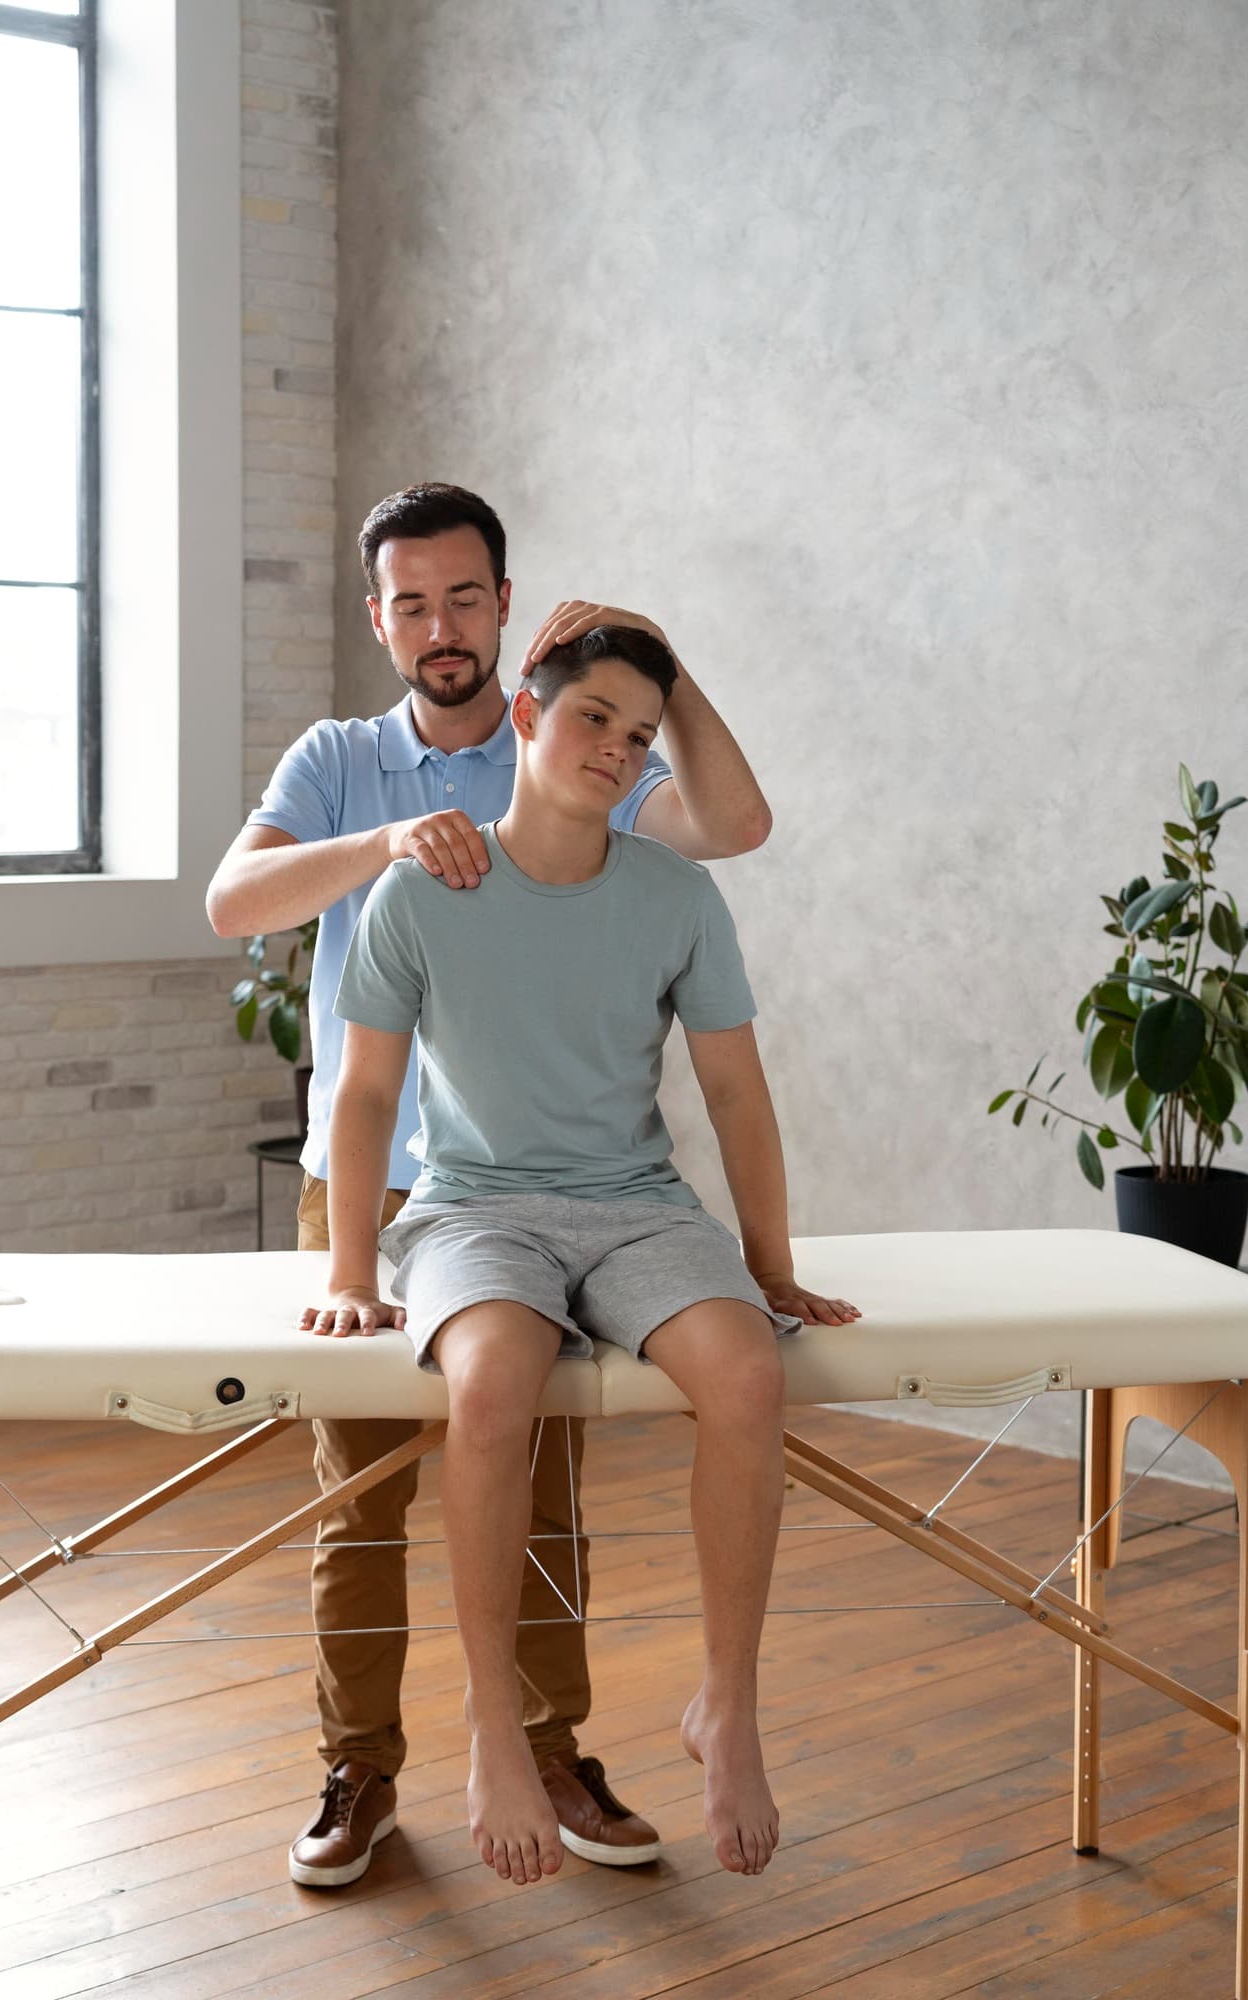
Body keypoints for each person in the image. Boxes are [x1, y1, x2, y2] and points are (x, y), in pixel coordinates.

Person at [206, 483, 774, 1888]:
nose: (439, 625)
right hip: (385, 1190)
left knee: (544, 1472)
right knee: (358, 1497)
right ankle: (360, 1765)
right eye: (411, 602)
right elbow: (236, 903)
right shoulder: (342, 759)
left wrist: (658, 665)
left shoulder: (578, 739)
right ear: (379, 616)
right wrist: (391, 845)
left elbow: (732, 823)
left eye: (465, 597)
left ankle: (551, 1741)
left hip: (571, 1186)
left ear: (506, 612)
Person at [304, 623, 861, 1887]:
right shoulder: (419, 891)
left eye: (638, 735)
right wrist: (348, 1273)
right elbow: (361, 1096)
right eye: (594, 717)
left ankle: (727, 1704)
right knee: (493, 1383)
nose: (616, 748)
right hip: (472, 1212)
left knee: (746, 1373)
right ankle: (493, 1725)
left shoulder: (674, 894)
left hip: (635, 1208)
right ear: (526, 716)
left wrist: (767, 1268)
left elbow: (735, 1093)